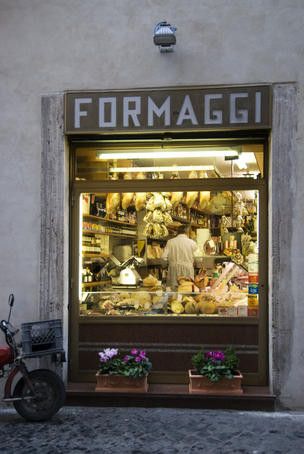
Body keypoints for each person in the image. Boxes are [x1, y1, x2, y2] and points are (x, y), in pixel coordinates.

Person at [161, 224, 198, 290]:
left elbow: (163, 257)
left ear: (177, 232)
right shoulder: (192, 243)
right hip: (188, 270)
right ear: (187, 232)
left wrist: (169, 263)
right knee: (187, 289)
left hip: (173, 270)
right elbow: (199, 258)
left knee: (173, 291)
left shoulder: (170, 242)